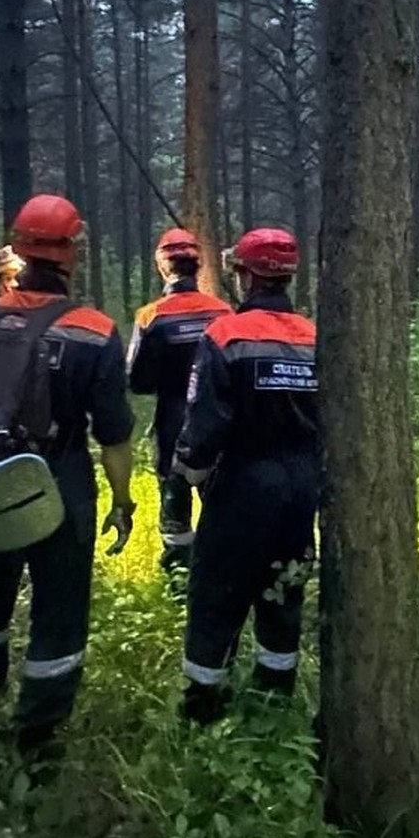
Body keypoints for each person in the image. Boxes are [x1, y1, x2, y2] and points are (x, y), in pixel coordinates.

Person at [0, 194, 136, 754]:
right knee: (59, 617)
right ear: (71, 252)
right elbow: (114, 436)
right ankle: (37, 743)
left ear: (18, 249)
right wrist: (122, 502)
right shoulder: (95, 331)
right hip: (60, 488)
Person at [173, 228, 319, 724]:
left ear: (247, 274)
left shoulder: (225, 335)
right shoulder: (318, 338)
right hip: (302, 493)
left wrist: (188, 473)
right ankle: (273, 706)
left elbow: (206, 422)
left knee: (216, 597)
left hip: (241, 491)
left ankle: (201, 709)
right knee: (284, 595)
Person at [127, 228, 232, 574]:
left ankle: (178, 580)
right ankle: (221, 575)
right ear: (197, 266)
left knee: (175, 506)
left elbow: (137, 381)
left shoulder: (150, 317)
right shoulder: (223, 312)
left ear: (162, 267)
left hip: (173, 422)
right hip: (220, 426)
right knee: (220, 503)